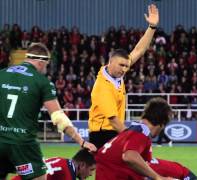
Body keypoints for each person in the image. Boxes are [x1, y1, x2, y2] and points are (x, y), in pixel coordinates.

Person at [0, 43, 97, 180]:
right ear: (41, 62)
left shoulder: (2, 74)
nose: (46, 69)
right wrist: (81, 141)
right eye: (46, 65)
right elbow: (59, 118)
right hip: (23, 144)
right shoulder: (42, 82)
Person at [88, 4, 160, 149]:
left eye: (127, 66)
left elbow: (139, 50)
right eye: (121, 65)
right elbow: (113, 120)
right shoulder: (103, 86)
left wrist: (151, 28)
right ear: (110, 62)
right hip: (103, 134)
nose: (124, 69)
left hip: (112, 131)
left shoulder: (116, 74)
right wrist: (131, 137)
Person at [95, 97, 174, 180]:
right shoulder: (141, 132)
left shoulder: (131, 131)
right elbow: (129, 157)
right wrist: (158, 177)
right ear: (161, 124)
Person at [11, 149, 96, 180]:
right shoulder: (68, 175)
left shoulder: (61, 160)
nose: (91, 174)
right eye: (91, 169)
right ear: (82, 165)